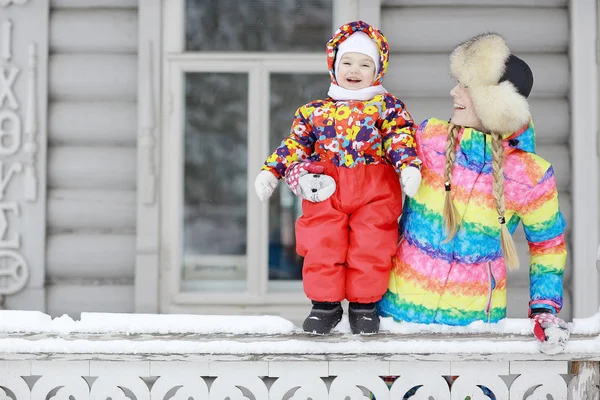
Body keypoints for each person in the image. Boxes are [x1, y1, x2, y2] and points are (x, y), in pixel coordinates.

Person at [377, 33, 570, 356]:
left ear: (497, 101)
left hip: (474, 334)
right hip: (397, 322)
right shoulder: (428, 140)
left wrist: (544, 308)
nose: (454, 91)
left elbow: (548, 246)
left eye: (466, 86)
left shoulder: (530, 175)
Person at [254, 21, 422, 335]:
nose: (354, 69)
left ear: (377, 71)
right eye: (347, 61)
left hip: (375, 187)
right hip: (327, 188)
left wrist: (408, 167)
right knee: (322, 243)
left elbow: (400, 138)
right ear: (334, 65)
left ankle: (363, 306)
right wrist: (271, 171)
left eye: (364, 63)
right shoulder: (313, 112)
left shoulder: (387, 109)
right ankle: (325, 306)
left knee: (371, 244)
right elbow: (295, 144)